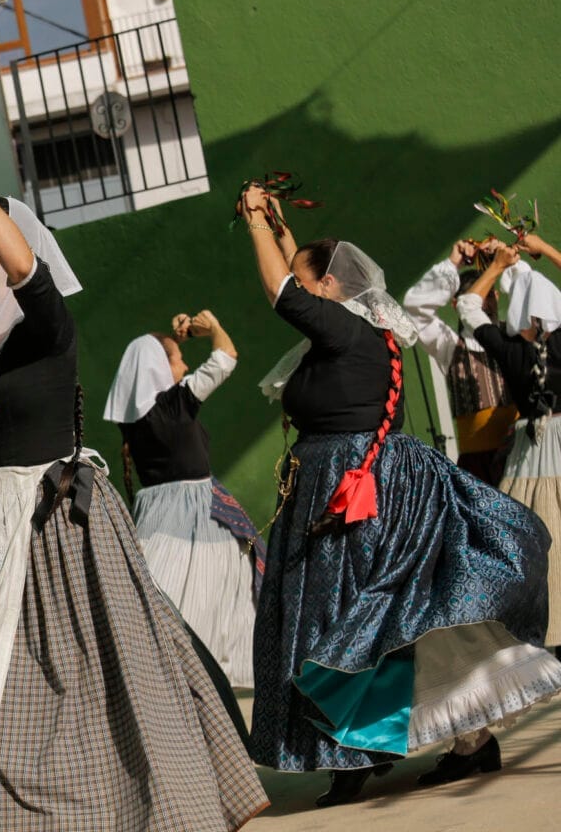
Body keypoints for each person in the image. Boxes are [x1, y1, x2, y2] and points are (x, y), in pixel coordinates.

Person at [0, 134, 266, 830]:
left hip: (55, 527)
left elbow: (29, 269)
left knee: (86, 683)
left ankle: (119, 806)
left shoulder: (47, 325)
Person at [240, 185, 561, 806]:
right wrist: (280, 230)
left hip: (349, 489)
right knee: (382, 618)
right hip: (346, 482)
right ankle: (456, 742)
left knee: (350, 621)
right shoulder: (353, 330)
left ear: (329, 289)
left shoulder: (344, 329)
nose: (302, 291)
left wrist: (254, 220)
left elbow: (282, 292)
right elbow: (297, 281)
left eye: (311, 282)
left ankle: (358, 754)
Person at [102, 311, 259, 688]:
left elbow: (150, 366)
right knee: (197, 614)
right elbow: (226, 357)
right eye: (178, 359)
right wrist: (214, 329)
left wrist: (175, 340)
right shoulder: (175, 405)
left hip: (156, 518)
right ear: (159, 366)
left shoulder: (134, 421)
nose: (186, 365)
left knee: (164, 609)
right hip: (195, 521)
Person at [457, 237, 561, 646]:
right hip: (541, 444)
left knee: (534, 541)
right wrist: (544, 249)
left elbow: (468, 306)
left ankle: (541, 630)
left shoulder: (509, 349)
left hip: (530, 451)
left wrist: (497, 266)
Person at [402, 239, 518, 482]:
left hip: (523, 454)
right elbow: (414, 310)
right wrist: (452, 263)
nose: (484, 302)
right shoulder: (450, 346)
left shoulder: (517, 335)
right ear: (457, 304)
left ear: (497, 294)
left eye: (488, 294)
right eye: (476, 296)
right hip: (479, 465)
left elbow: (540, 304)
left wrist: (505, 259)